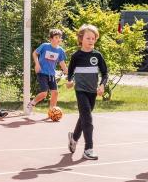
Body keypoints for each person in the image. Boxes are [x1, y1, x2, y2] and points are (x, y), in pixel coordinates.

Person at [66, 24, 108, 161]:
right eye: (88, 38)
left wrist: (102, 85)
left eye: (93, 38)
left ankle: (74, 138)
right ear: (81, 39)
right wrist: (69, 81)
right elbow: (70, 73)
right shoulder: (76, 56)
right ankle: (88, 149)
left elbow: (105, 73)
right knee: (88, 119)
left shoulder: (97, 55)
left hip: (92, 92)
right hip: (80, 91)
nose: (91, 40)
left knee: (84, 117)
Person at [25, 29, 69, 117]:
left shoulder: (60, 50)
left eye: (59, 37)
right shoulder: (45, 46)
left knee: (55, 93)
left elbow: (62, 64)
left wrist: (68, 73)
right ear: (51, 39)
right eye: (56, 37)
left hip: (51, 74)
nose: (58, 39)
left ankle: (51, 112)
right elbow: (35, 53)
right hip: (42, 73)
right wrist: (37, 64)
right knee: (44, 93)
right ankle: (31, 104)